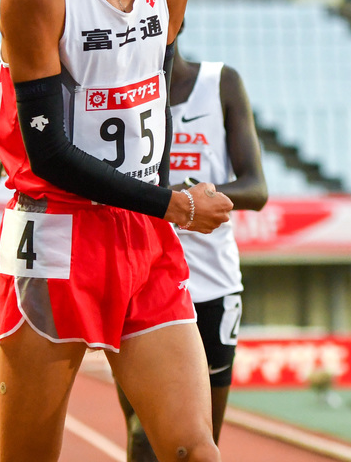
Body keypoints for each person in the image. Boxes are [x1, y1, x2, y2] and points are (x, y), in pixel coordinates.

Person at [0, 0, 233, 462]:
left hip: (143, 235)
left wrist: (160, 210)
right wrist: (176, 204)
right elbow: (50, 156)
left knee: (194, 449)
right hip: (55, 234)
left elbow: (148, 95)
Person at [115, 37, 269, 461]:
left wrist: (190, 200)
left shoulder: (221, 83)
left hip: (212, 287)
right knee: (142, 435)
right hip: (142, 281)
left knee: (200, 444)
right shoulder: (114, 88)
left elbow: (257, 188)